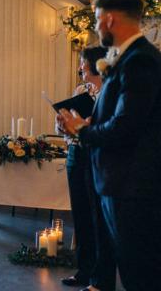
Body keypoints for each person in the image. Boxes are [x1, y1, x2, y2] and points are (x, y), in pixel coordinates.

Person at [58, 0, 161, 291]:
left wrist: (82, 130)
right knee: (132, 270)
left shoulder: (140, 61)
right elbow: (124, 118)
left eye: (97, 20)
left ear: (110, 18)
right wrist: (86, 123)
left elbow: (126, 127)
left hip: (132, 186)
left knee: (139, 273)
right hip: (120, 182)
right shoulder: (128, 57)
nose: (96, 27)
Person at [58, 46, 116, 291]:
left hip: (96, 156)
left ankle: (101, 279)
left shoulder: (110, 90)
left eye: (83, 62)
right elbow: (70, 126)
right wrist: (63, 126)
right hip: (75, 153)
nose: (80, 67)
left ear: (94, 64)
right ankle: (83, 271)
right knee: (80, 215)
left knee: (98, 219)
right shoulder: (81, 90)